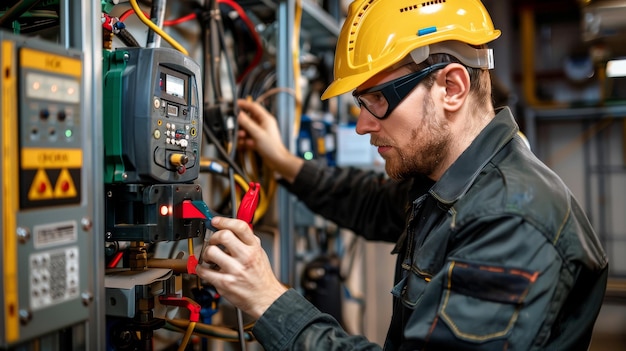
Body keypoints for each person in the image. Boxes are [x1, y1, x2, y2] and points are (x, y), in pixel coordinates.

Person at [196, 0, 609, 349]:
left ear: (451, 87)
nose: (361, 124)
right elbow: (369, 202)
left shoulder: (511, 224)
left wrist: (269, 300)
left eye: (377, 98)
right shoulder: (451, 180)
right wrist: (284, 161)